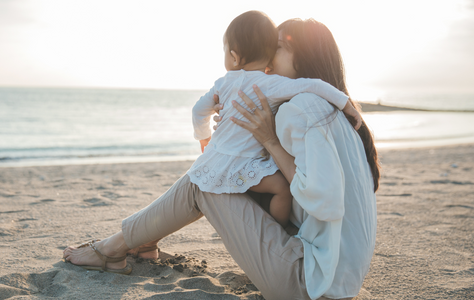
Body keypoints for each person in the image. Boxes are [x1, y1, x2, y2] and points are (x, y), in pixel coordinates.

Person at [64, 16, 379, 300]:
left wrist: (268, 139)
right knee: (228, 173)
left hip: (309, 283)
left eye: (278, 47)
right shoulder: (331, 114)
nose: (268, 58)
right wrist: (243, 132)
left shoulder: (302, 110)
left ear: (303, 55)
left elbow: (324, 201)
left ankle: (114, 248)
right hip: (335, 278)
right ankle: (139, 240)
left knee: (207, 179)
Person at [190, 10, 358, 228]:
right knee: (282, 189)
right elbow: (313, 84)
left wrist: (204, 138)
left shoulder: (221, 84)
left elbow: (197, 111)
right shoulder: (272, 85)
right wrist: (346, 104)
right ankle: (276, 228)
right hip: (246, 166)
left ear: (233, 56)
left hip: (216, 160)